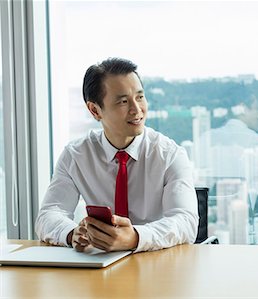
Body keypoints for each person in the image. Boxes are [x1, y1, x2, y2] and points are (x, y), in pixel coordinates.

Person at [35, 58, 198, 253]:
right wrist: (72, 233)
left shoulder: (170, 155)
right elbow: (48, 215)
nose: (137, 110)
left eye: (139, 97)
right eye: (123, 101)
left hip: (158, 264)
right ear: (95, 110)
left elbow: (185, 221)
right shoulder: (76, 156)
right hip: (100, 268)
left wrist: (135, 237)